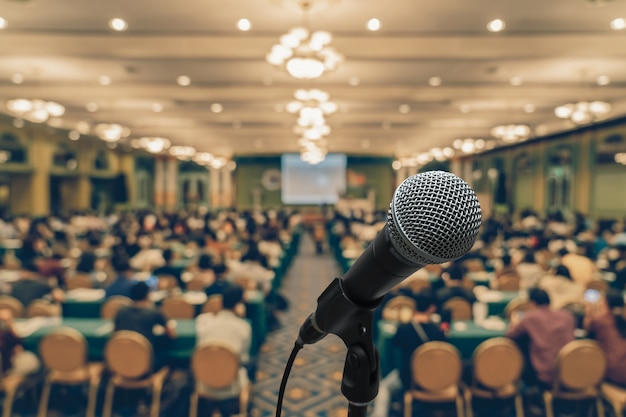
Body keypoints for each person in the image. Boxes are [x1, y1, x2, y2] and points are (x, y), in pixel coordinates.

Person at [371, 290, 445, 417]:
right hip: (436, 378)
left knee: (383, 387)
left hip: (410, 379)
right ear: (432, 308)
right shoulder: (438, 331)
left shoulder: (404, 329)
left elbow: (394, 346)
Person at [195, 285, 252, 417]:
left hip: (204, 382)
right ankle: (243, 409)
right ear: (239, 305)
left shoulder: (202, 322)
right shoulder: (244, 327)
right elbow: (243, 360)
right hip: (231, 385)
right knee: (250, 364)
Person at [506, 288, 576, 388]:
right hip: (570, 371)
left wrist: (514, 321)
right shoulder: (567, 316)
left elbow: (511, 335)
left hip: (545, 373)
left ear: (532, 303)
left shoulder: (530, 317)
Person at [113, 281, 175, 371]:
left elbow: (115, 333)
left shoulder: (121, 311)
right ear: (147, 295)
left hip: (122, 359)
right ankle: (158, 379)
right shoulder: (154, 312)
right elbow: (172, 334)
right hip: (146, 361)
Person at [584, 290, 626, 386]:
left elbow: (587, 328)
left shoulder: (601, 321)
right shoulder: (622, 318)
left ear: (605, 304)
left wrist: (590, 310)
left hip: (614, 373)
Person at [0, 309, 40, 376]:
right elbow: (17, 342)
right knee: (34, 361)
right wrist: (10, 325)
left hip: (6, 362)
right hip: (6, 369)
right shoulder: (4, 333)